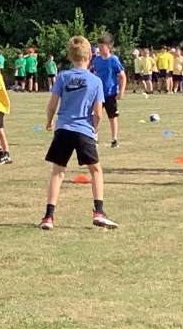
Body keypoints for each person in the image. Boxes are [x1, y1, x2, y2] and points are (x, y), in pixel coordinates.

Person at [37, 35, 115, 231]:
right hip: (83, 130)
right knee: (95, 170)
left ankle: (48, 216)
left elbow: (52, 104)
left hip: (63, 129)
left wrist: (49, 121)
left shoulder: (63, 77)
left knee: (58, 172)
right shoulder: (95, 81)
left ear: (70, 56)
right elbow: (98, 112)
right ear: (90, 56)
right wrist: (94, 128)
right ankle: (99, 212)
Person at [91, 34, 127, 150]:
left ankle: (114, 139)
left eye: (102, 46)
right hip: (98, 94)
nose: (100, 49)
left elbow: (122, 76)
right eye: (99, 46)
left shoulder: (114, 60)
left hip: (111, 93)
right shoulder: (96, 60)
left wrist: (121, 92)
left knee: (112, 117)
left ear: (109, 47)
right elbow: (94, 74)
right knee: (96, 115)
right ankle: (94, 137)